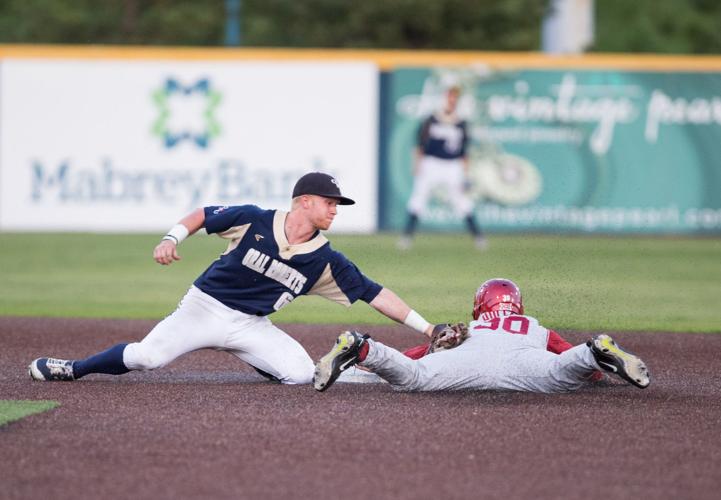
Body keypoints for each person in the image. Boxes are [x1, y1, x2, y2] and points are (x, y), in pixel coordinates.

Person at [28, 172, 439, 384]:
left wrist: (428, 327)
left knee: (300, 375)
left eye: (337, 205)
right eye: (329, 202)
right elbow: (205, 214)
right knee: (146, 358)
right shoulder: (255, 219)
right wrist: (172, 237)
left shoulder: (326, 260)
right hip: (203, 309)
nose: (335, 210)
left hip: (250, 325)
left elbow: (374, 293)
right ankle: (74, 368)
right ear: (303, 201)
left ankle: (253, 356)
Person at [314, 278, 651, 393]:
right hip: (527, 364)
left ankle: (362, 349)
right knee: (564, 371)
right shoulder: (533, 325)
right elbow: (564, 354)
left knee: (414, 379)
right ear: (517, 305)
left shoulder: (469, 327)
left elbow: (418, 354)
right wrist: (590, 368)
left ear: (480, 305)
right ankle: (598, 349)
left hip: (467, 363)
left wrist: (375, 366)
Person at [398, 85, 486, 251]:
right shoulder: (431, 119)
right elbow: (420, 144)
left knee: (462, 201)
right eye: (449, 97)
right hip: (431, 163)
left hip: (452, 165)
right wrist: (417, 164)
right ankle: (406, 237)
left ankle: (478, 237)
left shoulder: (461, 123)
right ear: (443, 98)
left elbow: (464, 151)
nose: (451, 101)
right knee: (418, 198)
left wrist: (465, 174)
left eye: (455, 98)